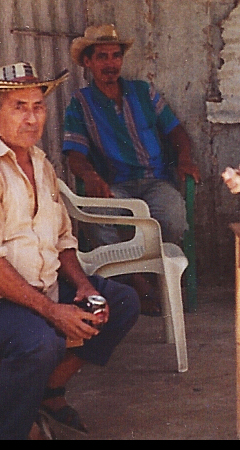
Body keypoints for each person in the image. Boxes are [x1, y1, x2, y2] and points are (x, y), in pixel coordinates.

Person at [0, 62, 139, 439]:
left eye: (38, 106)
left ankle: (48, 390)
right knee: (40, 341)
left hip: (39, 288)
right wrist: (52, 310)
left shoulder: (41, 163)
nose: (32, 118)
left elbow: (62, 239)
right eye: (19, 107)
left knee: (121, 301)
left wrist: (82, 286)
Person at [62, 25, 200, 309]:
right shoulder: (81, 103)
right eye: (102, 57)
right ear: (87, 62)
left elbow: (176, 132)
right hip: (116, 186)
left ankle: (157, 276)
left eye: (115, 56)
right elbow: (73, 153)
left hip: (155, 181)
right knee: (98, 219)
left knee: (173, 216)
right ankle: (137, 282)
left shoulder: (143, 92)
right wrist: (89, 175)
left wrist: (184, 158)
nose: (110, 64)